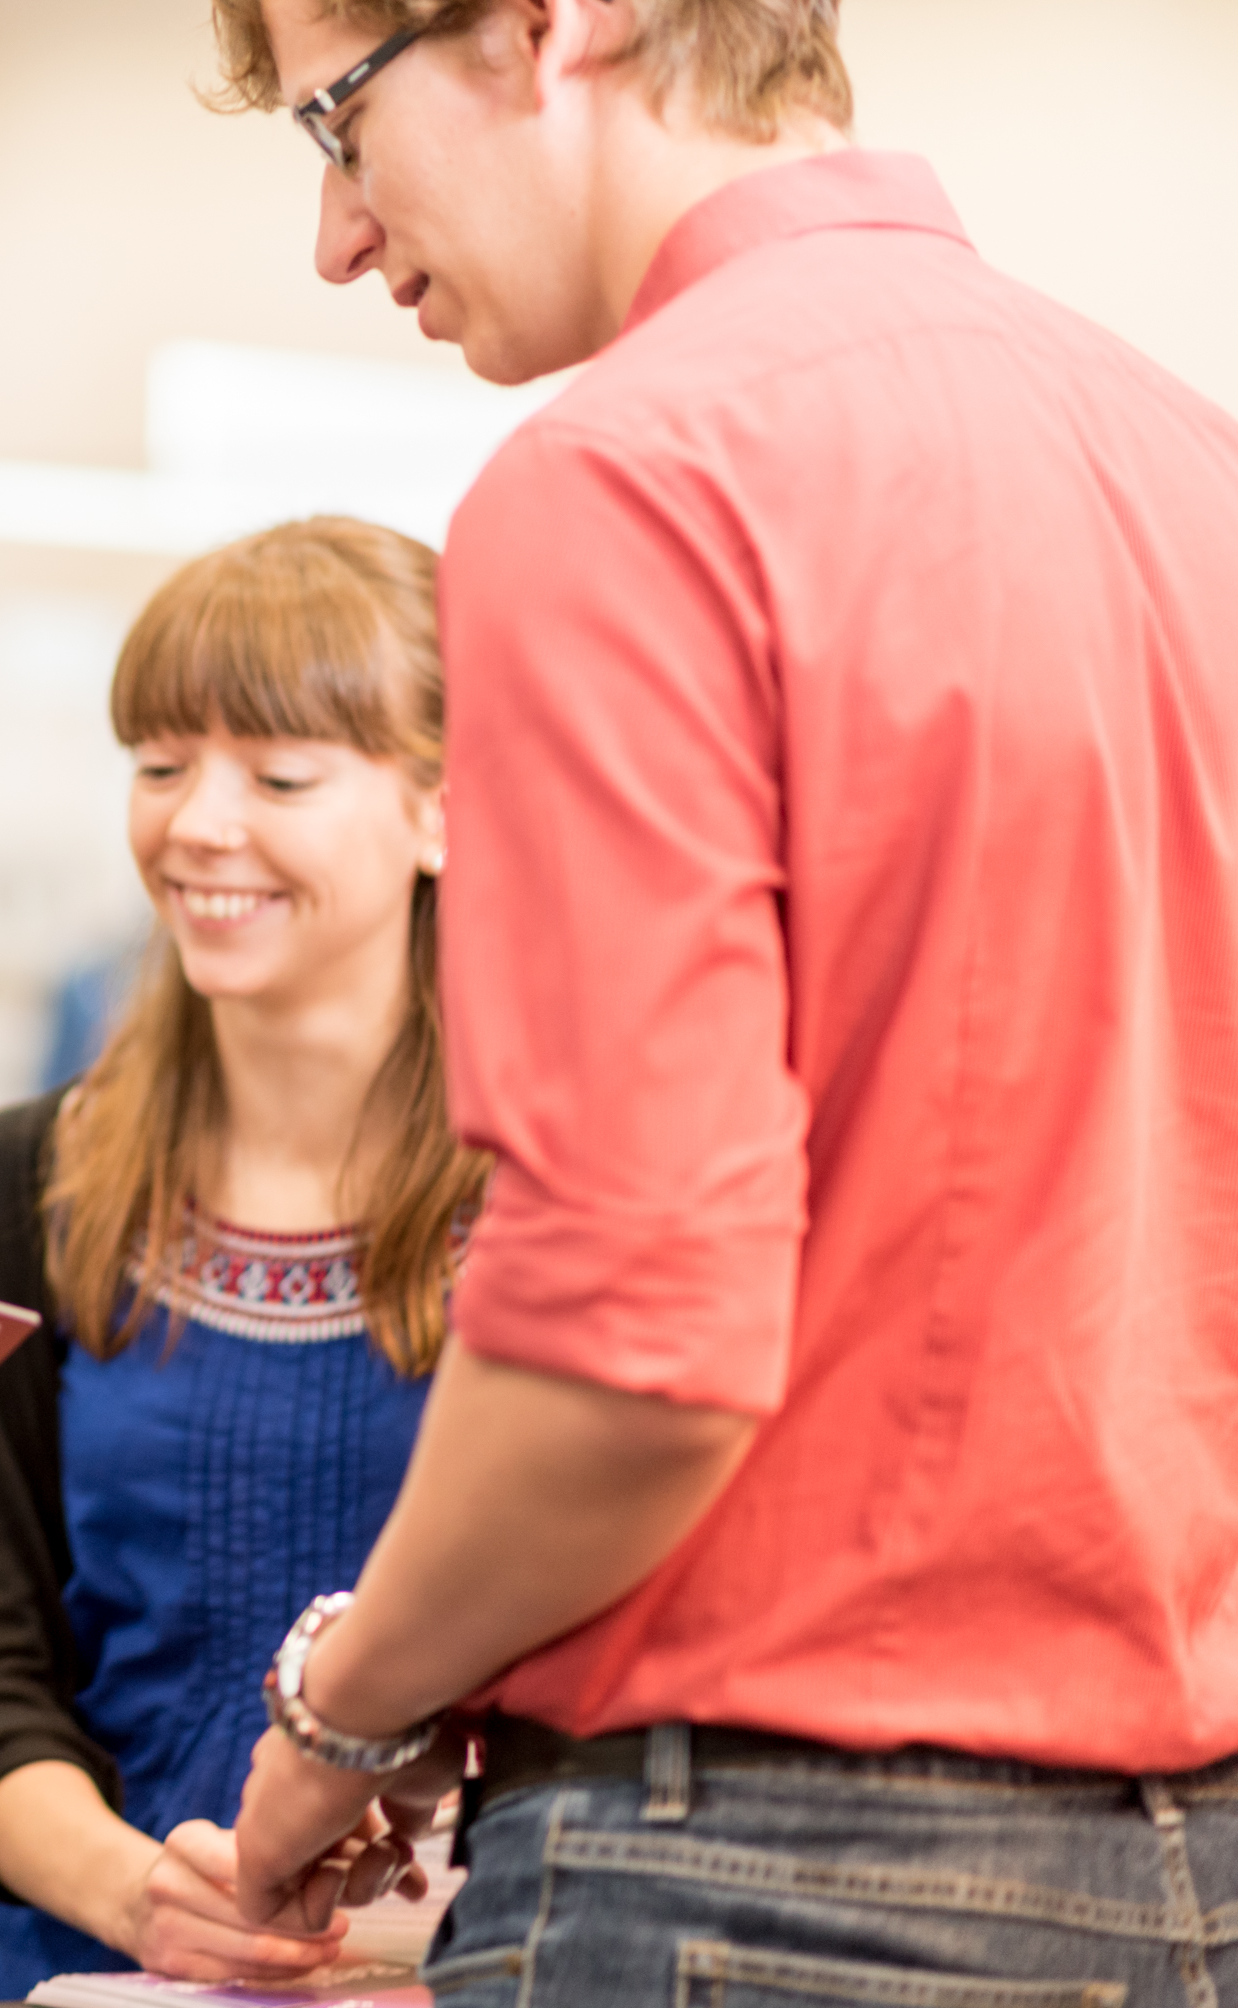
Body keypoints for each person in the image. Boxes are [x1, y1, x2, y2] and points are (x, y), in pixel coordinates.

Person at [209, 1, 1238, 1994]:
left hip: (756, 1875)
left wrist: (343, 1709)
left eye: (340, 120)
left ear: (543, 28)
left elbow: (632, 1344)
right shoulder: (1189, 463)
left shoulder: (624, 479)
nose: (336, 234)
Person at [0, 519, 475, 2005]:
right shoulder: (22, 1188)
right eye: (159, 766)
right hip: (68, 1960)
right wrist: (143, 1895)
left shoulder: (549, 1194)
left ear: (440, 808)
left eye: (280, 776)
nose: (199, 825)